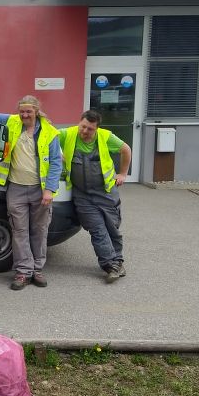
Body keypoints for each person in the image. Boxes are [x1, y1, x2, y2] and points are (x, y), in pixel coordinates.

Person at [0, 96, 62, 291]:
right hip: (16, 188)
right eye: (22, 111)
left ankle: (37, 270)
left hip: (40, 190)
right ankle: (23, 271)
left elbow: (55, 162)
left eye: (29, 111)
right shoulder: (11, 121)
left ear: (36, 111)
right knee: (19, 231)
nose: (25, 115)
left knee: (39, 231)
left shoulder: (50, 133)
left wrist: (49, 190)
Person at [58, 110, 131, 283]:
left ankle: (117, 261)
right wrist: (57, 153)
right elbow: (46, 136)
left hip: (105, 192)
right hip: (82, 195)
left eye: (90, 129)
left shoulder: (106, 137)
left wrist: (122, 174)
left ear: (96, 129)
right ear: (79, 123)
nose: (84, 131)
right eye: (83, 127)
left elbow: (125, 150)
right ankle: (109, 265)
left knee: (112, 228)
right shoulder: (67, 134)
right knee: (97, 230)